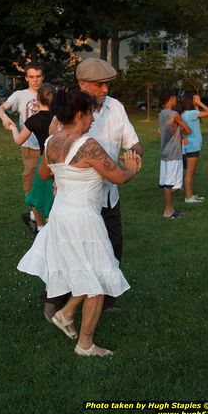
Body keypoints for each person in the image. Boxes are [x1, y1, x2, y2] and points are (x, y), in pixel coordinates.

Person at [17, 90, 139, 356]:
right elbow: (117, 177)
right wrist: (132, 169)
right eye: (91, 113)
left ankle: (66, 313)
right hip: (84, 219)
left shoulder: (50, 142)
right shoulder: (88, 145)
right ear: (80, 114)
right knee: (98, 279)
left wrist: (65, 177)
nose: (94, 118)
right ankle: (85, 344)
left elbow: (44, 173)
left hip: (61, 216)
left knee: (86, 270)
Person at [43, 58, 142, 320]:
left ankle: (104, 302)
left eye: (107, 84)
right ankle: (57, 302)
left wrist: (133, 154)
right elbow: (52, 158)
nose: (105, 90)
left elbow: (132, 142)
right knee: (69, 253)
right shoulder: (66, 115)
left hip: (108, 196)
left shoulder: (116, 108)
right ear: (82, 84)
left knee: (112, 249)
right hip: (78, 200)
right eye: (99, 85)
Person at [0, 62, 44, 232]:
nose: (35, 80)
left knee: (53, 187)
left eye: (38, 76)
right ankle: (38, 227)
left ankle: (35, 216)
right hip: (30, 149)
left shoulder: (49, 94)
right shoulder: (20, 95)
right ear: (26, 78)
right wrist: (4, 117)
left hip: (50, 149)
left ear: (43, 77)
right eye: (31, 77)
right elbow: (1, 108)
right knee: (31, 187)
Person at [9, 83, 55, 234]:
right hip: (60, 161)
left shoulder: (33, 120)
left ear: (37, 98)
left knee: (38, 194)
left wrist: (13, 128)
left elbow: (18, 140)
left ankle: (41, 226)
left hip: (44, 161)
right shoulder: (59, 117)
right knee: (55, 194)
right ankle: (53, 226)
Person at [158, 88, 191, 219]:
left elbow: (165, 131)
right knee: (169, 184)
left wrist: (178, 130)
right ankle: (167, 211)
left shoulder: (161, 114)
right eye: (175, 97)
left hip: (165, 152)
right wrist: (181, 129)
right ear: (171, 98)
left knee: (168, 182)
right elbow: (187, 130)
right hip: (173, 153)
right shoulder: (174, 114)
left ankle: (171, 209)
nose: (176, 100)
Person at [181, 92, 208, 203]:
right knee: (190, 172)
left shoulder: (188, 113)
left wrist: (196, 105)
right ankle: (188, 197)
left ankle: (190, 194)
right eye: (194, 100)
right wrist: (200, 102)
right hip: (192, 146)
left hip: (192, 145)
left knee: (191, 171)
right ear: (191, 101)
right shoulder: (191, 113)